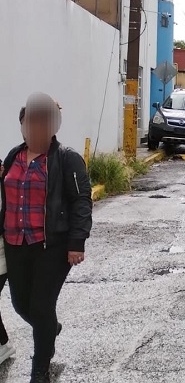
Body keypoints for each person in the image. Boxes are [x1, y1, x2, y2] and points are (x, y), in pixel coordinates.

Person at [1, 93, 92, 383]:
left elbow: (81, 201)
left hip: (51, 245)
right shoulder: (14, 156)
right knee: (20, 305)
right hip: (16, 243)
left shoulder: (66, 158)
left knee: (40, 306)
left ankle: (40, 367)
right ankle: (49, 329)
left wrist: (77, 242)